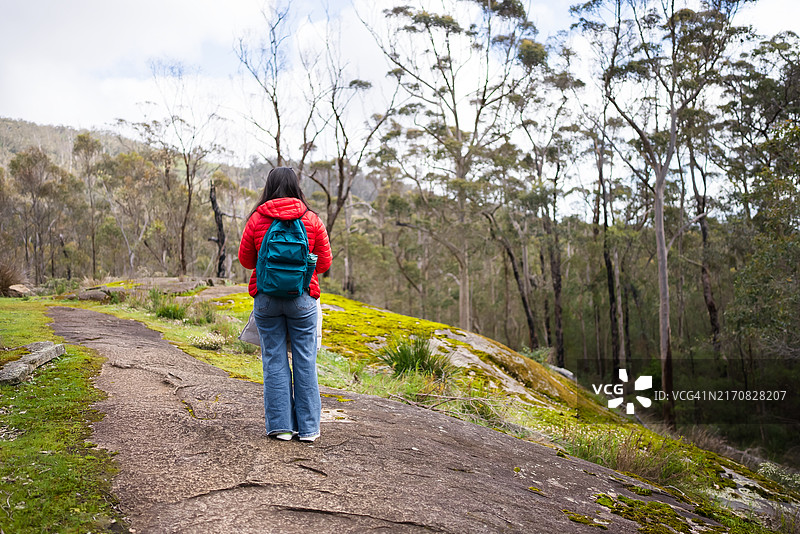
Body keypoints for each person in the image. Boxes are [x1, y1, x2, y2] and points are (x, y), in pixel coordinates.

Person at [238, 167, 332, 442]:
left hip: (266, 300)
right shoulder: (311, 219)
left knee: (274, 360)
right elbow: (324, 263)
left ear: (269, 186)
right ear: (296, 186)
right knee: (306, 361)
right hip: (303, 299)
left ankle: (280, 428)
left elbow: (246, 261)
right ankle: (309, 430)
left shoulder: (257, 218)